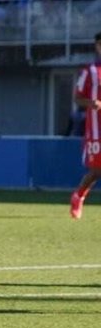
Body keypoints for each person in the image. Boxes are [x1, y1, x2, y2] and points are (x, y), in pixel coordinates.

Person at [70, 31, 101, 219]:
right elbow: (77, 98)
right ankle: (78, 196)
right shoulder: (89, 71)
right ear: (97, 46)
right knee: (97, 170)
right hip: (97, 128)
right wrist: (92, 104)